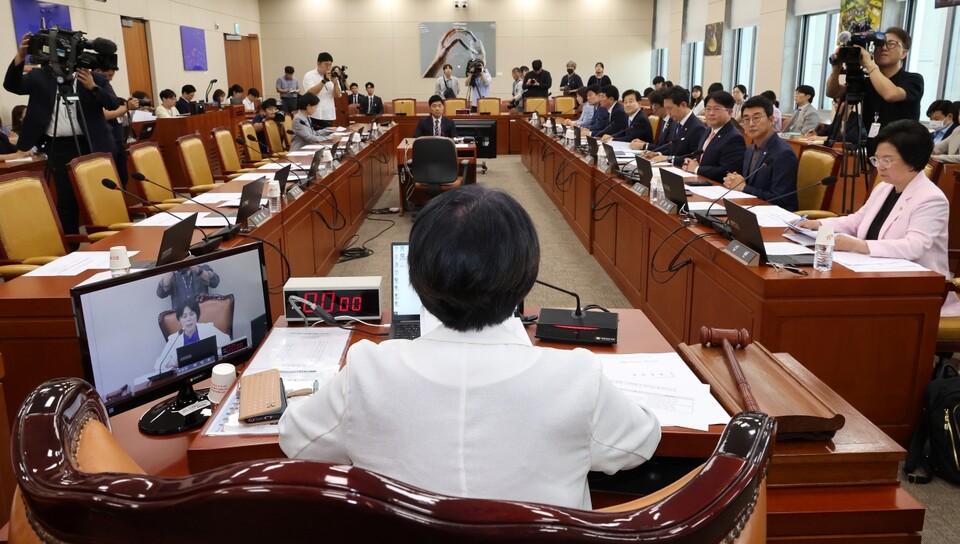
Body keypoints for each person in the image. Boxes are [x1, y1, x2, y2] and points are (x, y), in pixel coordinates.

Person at [278, 184, 661, 509]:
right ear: (526, 276)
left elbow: (295, 438)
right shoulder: (577, 377)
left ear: (417, 278)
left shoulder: (366, 372)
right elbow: (640, 442)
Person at [798, 120, 960, 316]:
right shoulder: (885, 187)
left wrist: (858, 245)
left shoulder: (931, 198)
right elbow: (856, 221)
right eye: (877, 159)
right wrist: (816, 224)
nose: (880, 167)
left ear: (913, 161)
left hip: (917, 290)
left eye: (887, 160)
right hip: (874, 275)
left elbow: (914, 246)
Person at [4, 32, 120, 236]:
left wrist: (93, 87)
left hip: (92, 145)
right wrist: (21, 56)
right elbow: (12, 85)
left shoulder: (95, 78)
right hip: (59, 147)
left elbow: (113, 103)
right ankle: (72, 248)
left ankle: (109, 240)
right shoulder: (40, 76)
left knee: (101, 197)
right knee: (67, 201)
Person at [826, 27, 923, 155]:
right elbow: (832, 93)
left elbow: (891, 94)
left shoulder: (913, 79)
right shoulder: (868, 82)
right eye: (880, 44)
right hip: (874, 150)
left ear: (904, 53)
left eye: (891, 44)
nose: (884, 48)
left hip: (903, 151)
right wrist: (836, 69)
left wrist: (869, 64)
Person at [722, 96, 799, 211]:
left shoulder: (783, 153)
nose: (751, 124)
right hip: (752, 209)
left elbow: (781, 200)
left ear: (771, 120)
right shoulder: (749, 150)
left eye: (756, 118)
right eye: (746, 119)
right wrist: (735, 180)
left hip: (775, 215)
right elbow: (748, 184)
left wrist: (744, 187)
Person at [682, 91, 745, 182]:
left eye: (716, 109)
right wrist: (692, 162)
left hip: (715, 186)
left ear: (730, 112)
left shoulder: (734, 138)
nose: (711, 113)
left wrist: (697, 169)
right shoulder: (708, 130)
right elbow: (703, 158)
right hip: (699, 181)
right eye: (708, 109)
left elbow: (728, 171)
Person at [154, 299, 231, 372]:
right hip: (186, 375)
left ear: (197, 315)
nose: (189, 319)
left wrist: (215, 352)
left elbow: (227, 341)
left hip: (210, 368)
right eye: (184, 316)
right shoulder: (174, 339)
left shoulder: (207, 329)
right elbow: (158, 365)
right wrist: (172, 363)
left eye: (191, 314)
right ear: (179, 320)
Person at [643, 86, 707, 165]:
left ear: (683, 105)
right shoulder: (675, 123)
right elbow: (673, 148)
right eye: (666, 109)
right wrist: (658, 154)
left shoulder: (697, 127)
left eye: (670, 108)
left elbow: (695, 158)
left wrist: (669, 159)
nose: (668, 112)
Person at [302, 52, 341, 130]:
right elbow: (311, 93)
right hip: (314, 114)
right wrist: (324, 80)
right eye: (326, 64)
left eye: (330, 65)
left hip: (329, 115)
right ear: (318, 63)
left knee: (329, 136)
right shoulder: (309, 75)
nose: (328, 67)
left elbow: (338, 95)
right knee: (316, 136)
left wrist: (335, 83)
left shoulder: (333, 76)